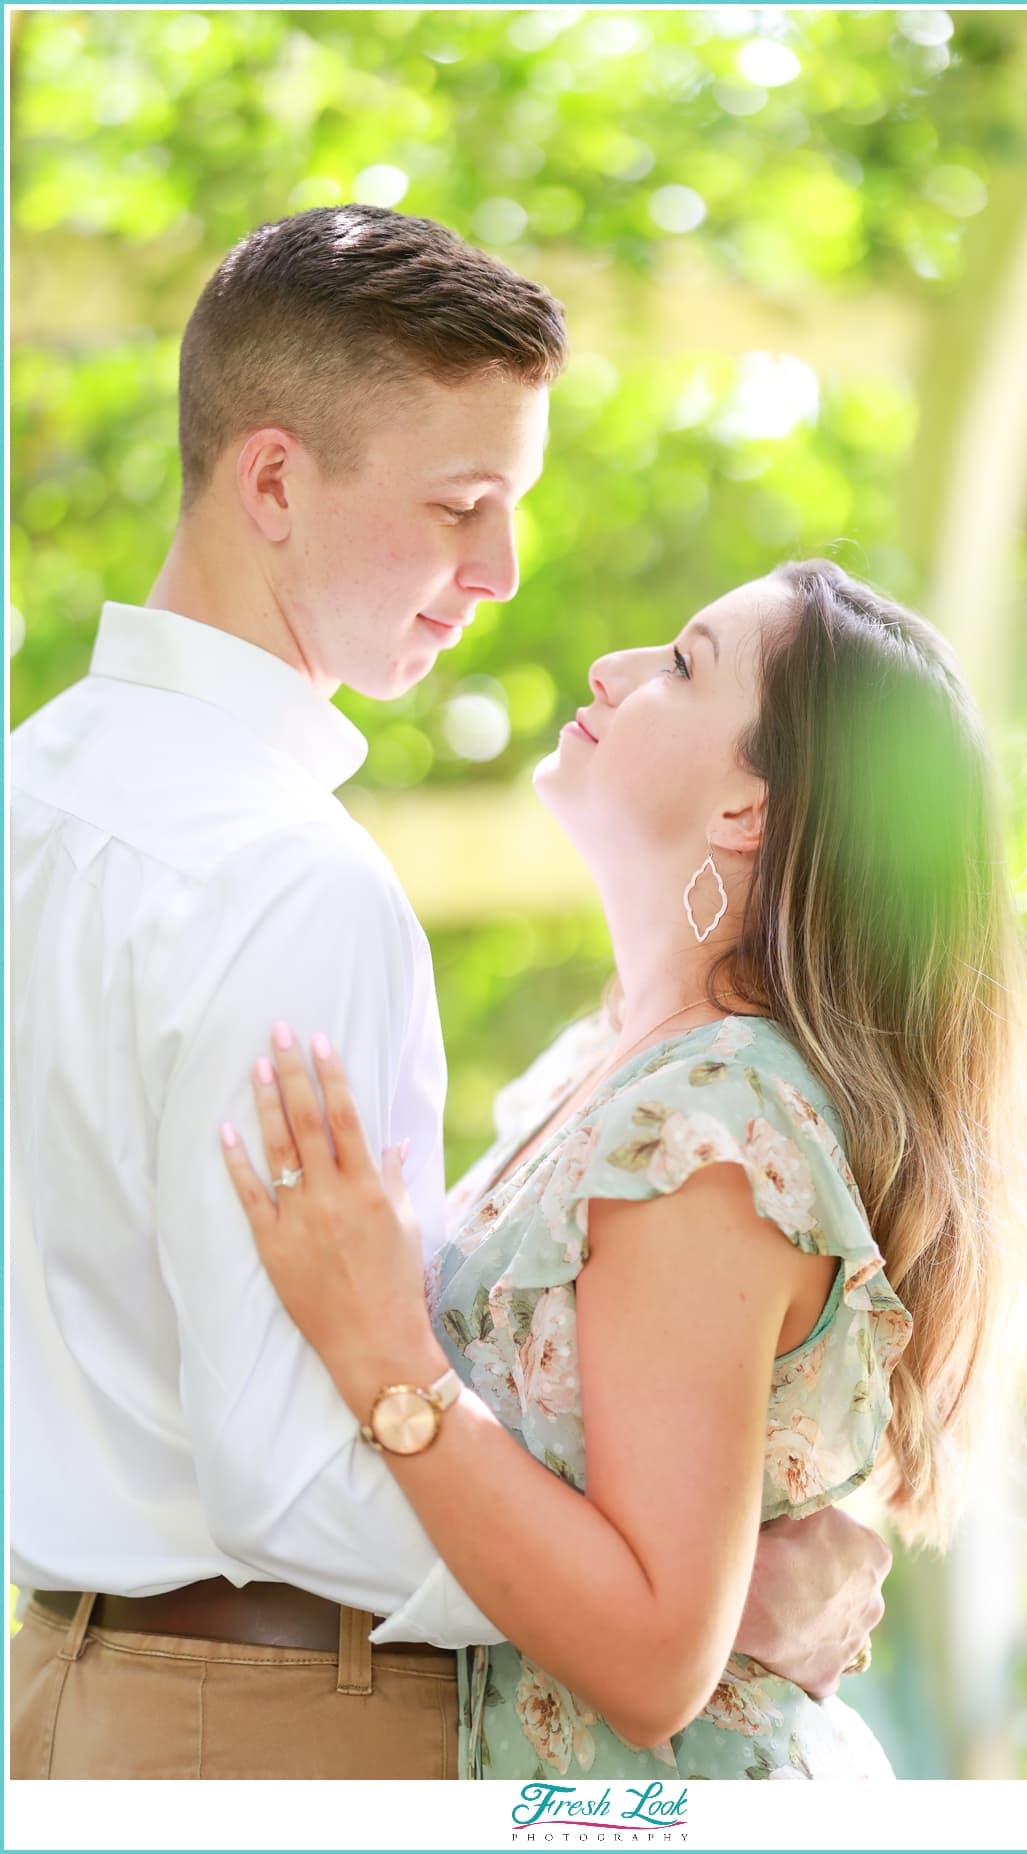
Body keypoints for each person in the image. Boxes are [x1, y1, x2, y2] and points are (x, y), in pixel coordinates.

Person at [9, 208, 893, 1782]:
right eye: (458, 507)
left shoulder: (30, 798)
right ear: (273, 481)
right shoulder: (297, 880)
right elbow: (283, 1477)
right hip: (281, 1727)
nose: (498, 575)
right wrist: (702, 1597)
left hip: (63, 1702)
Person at [220, 558, 1027, 1779]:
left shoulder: (711, 1130)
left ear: (748, 809)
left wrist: (378, 1352)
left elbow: (655, 1659)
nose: (614, 670)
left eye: (680, 666)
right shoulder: (612, 1071)